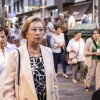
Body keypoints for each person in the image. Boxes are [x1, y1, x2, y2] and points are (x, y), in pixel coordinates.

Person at [3, 17, 59, 100]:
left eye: (41, 29)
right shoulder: (16, 55)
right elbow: (8, 88)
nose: (38, 33)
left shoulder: (48, 52)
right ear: (26, 33)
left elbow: (53, 82)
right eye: (34, 29)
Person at [0, 26, 16, 99]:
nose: (1, 40)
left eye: (2, 36)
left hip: (12, 88)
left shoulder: (14, 49)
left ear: (6, 36)